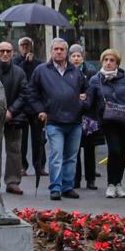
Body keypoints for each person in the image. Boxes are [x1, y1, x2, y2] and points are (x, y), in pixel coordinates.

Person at [28, 38, 89, 202]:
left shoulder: (76, 72)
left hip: (75, 121)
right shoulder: (41, 70)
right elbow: (32, 93)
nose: (59, 52)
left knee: (71, 156)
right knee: (56, 155)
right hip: (54, 120)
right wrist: (40, 110)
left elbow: (87, 91)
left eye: (62, 49)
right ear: (51, 51)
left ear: (66, 52)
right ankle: (55, 187)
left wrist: (83, 102)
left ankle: (67, 187)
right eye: (56, 49)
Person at [92, 48, 125, 199]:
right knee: (115, 151)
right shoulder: (96, 79)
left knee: (122, 152)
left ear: (117, 63)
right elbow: (90, 101)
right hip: (108, 121)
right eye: (106, 60)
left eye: (112, 60)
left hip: (124, 121)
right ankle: (111, 184)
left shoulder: (124, 79)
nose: (108, 63)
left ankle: (118, 183)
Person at [0, 41, 30, 195]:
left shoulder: (20, 72)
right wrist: (0, 111)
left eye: (8, 51)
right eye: (2, 51)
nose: (5, 54)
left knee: (14, 150)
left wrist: (11, 111)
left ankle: (13, 182)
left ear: (13, 52)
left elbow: (24, 94)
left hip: (14, 118)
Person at [68, 45, 101, 191]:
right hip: (73, 115)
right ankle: (76, 179)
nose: (76, 59)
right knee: (74, 149)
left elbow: (93, 91)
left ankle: (91, 179)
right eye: (73, 56)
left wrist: (85, 97)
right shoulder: (66, 72)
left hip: (89, 115)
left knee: (89, 148)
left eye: (78, 56)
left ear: (83, 57)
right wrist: (76, 96)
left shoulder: (92, 71)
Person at [16, 36, 44, 177]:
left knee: (38, 139)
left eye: (28, 44)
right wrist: (25, 62)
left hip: (35, 105)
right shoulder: (15, 61)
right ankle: (22, 166)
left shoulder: (38, 63)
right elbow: (17, 74)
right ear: (19, 47)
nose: (25, 47)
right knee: (22, 140)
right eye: (23, 44)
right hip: (21, 106)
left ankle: (39, 166)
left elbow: (40, 79)